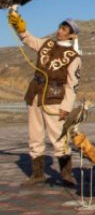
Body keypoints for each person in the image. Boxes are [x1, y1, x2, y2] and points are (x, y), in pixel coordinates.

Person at [8, 12, 81, 187]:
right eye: (60, 27)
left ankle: (66, 174)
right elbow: (29, 40)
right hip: (35, 94)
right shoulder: (46, 44)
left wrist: (66, 107)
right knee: (35, 136)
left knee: (59, 137)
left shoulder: (73, 57)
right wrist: (20, 27)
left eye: (64, 29)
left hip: (55, 99)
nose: (59, 31)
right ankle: (38, 174)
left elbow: (72, 84)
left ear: (72, 35)